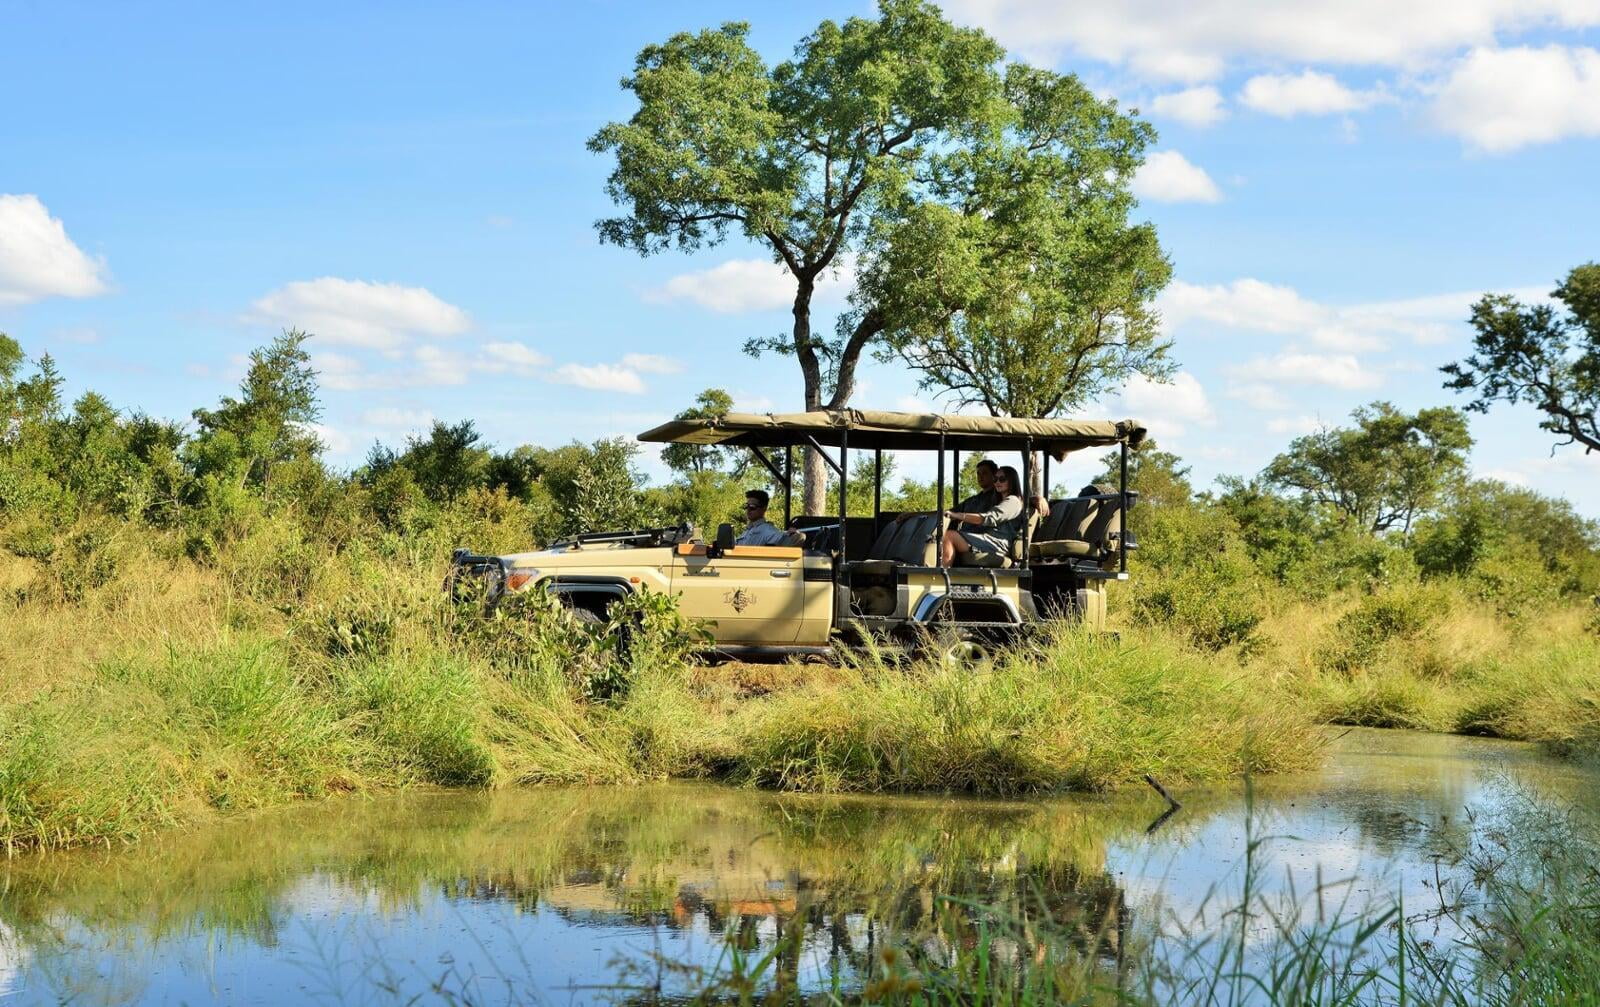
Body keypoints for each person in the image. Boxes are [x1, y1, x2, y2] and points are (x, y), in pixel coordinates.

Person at [940, 464, 1024, 566]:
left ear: (1012, 481)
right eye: (995, 479)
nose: (997, 482)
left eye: (1002, 479)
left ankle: (942, 576)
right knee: (946, 536)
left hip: (997, 544)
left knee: (949, 536)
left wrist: (958, 515)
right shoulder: (996, 499)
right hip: (989, 540)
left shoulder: (1013, 501)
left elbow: (989, 518)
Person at [896, 459, 1000, 523]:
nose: (980, 477)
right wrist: (912, 514)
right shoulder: (972, 500)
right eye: (978, 474)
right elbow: (947, 513)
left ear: (994, 475)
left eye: (985, 473)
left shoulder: (999, 498)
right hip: (963, 538)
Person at [735, 489, 802, 546]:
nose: (748, 509)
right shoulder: (746, 532)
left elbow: (792, 540)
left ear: (764, 508)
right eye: (747, 506)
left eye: (752, 506)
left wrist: (794, 535)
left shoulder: (769, 531)